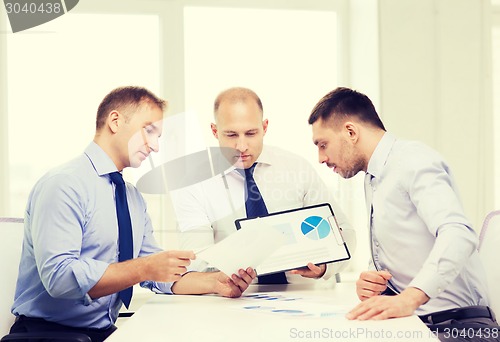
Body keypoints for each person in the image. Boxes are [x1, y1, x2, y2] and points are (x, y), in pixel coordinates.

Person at [308, 86, 498, 341]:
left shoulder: (413, 161)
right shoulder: (372, 177)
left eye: (323, 145)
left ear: (351, 132)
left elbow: (459, 234)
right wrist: (372, 279)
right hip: (414, 324)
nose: (321, 158)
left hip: (458, 326)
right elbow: (402, 245)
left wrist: (409, 298)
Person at [9, 86, 196, 342]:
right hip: (49, 335)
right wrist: (145, 268)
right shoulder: (64, 184)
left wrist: (217, 283)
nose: (154, 146)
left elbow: (157, 271)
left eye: (158, 136)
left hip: (102, 333)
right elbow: (60, 278)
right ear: (115, 121)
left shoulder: (132, 197)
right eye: (149, 131)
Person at [170, 87, 356, 298]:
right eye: (231, 135)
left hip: (304, 295)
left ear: (265, 127)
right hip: (234, 302)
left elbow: (345, 233)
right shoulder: (194, 183)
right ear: (214, 131)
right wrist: (223, 276)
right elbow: (197, 259)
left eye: (251, 133)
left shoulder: (297, 168)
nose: (241, 146)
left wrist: (324, 267)